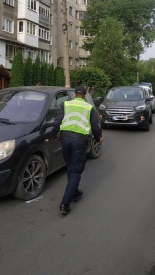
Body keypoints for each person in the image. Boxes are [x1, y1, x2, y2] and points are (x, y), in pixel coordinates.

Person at [51, 85, 103, 215]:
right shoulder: (89, 107)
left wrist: (52, 136)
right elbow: (95, 127)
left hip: (65, 139)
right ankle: (65, 204)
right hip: (79, 141)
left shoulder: (65, 104)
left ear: (74, 94)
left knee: (70, 166)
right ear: (85, 95)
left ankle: (74, 193)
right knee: (75, 171)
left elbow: (57, 122)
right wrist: (98, 139)